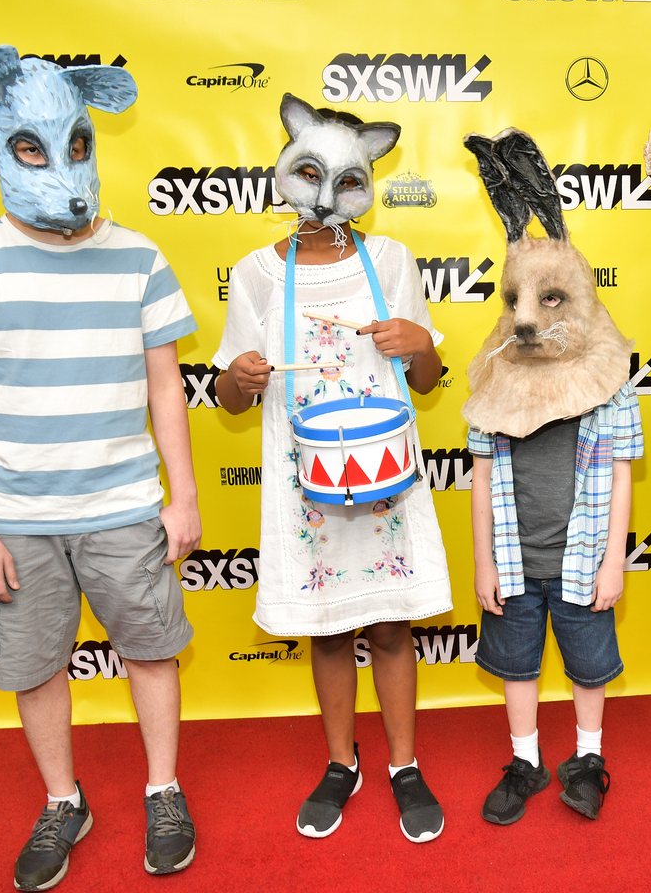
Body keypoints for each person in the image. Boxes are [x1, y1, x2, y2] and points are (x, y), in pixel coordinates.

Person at [0, 46, 201, 890]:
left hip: (123, 505)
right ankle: (61, 800)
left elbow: (166, 388)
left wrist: (182, 495)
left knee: (151, 651)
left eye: (74, 144)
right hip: (16, 517)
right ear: (2, 141)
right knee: (35, 665)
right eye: (36, 147)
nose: (61, 165)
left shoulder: (142, 257)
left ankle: (164, 789)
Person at [213, 95, 451, 844]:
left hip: (382, 474)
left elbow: (428, 381)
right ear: (285, 171)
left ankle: (404, 765)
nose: (322, 195)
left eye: (342, 178)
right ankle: (341, 762)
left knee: (389, 623)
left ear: (366, 178)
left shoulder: (391, 261)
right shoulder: (255, 274)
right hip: (301, 478)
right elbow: (227, 394)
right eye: (308, 172)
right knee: (325, 628)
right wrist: (240, 381)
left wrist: (420, 342)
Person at [459, 129, 642, 825]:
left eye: (552, 299)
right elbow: (480, 477)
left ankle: (589, 757)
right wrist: (484, 563)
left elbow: (622, 476)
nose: (529, 318)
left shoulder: (612, 380)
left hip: (583, 563)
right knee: (516, 663)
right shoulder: (494, 373)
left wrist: (613, 564)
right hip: (512, 558)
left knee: (590, 665)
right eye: (517, 301)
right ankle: (527, 759)